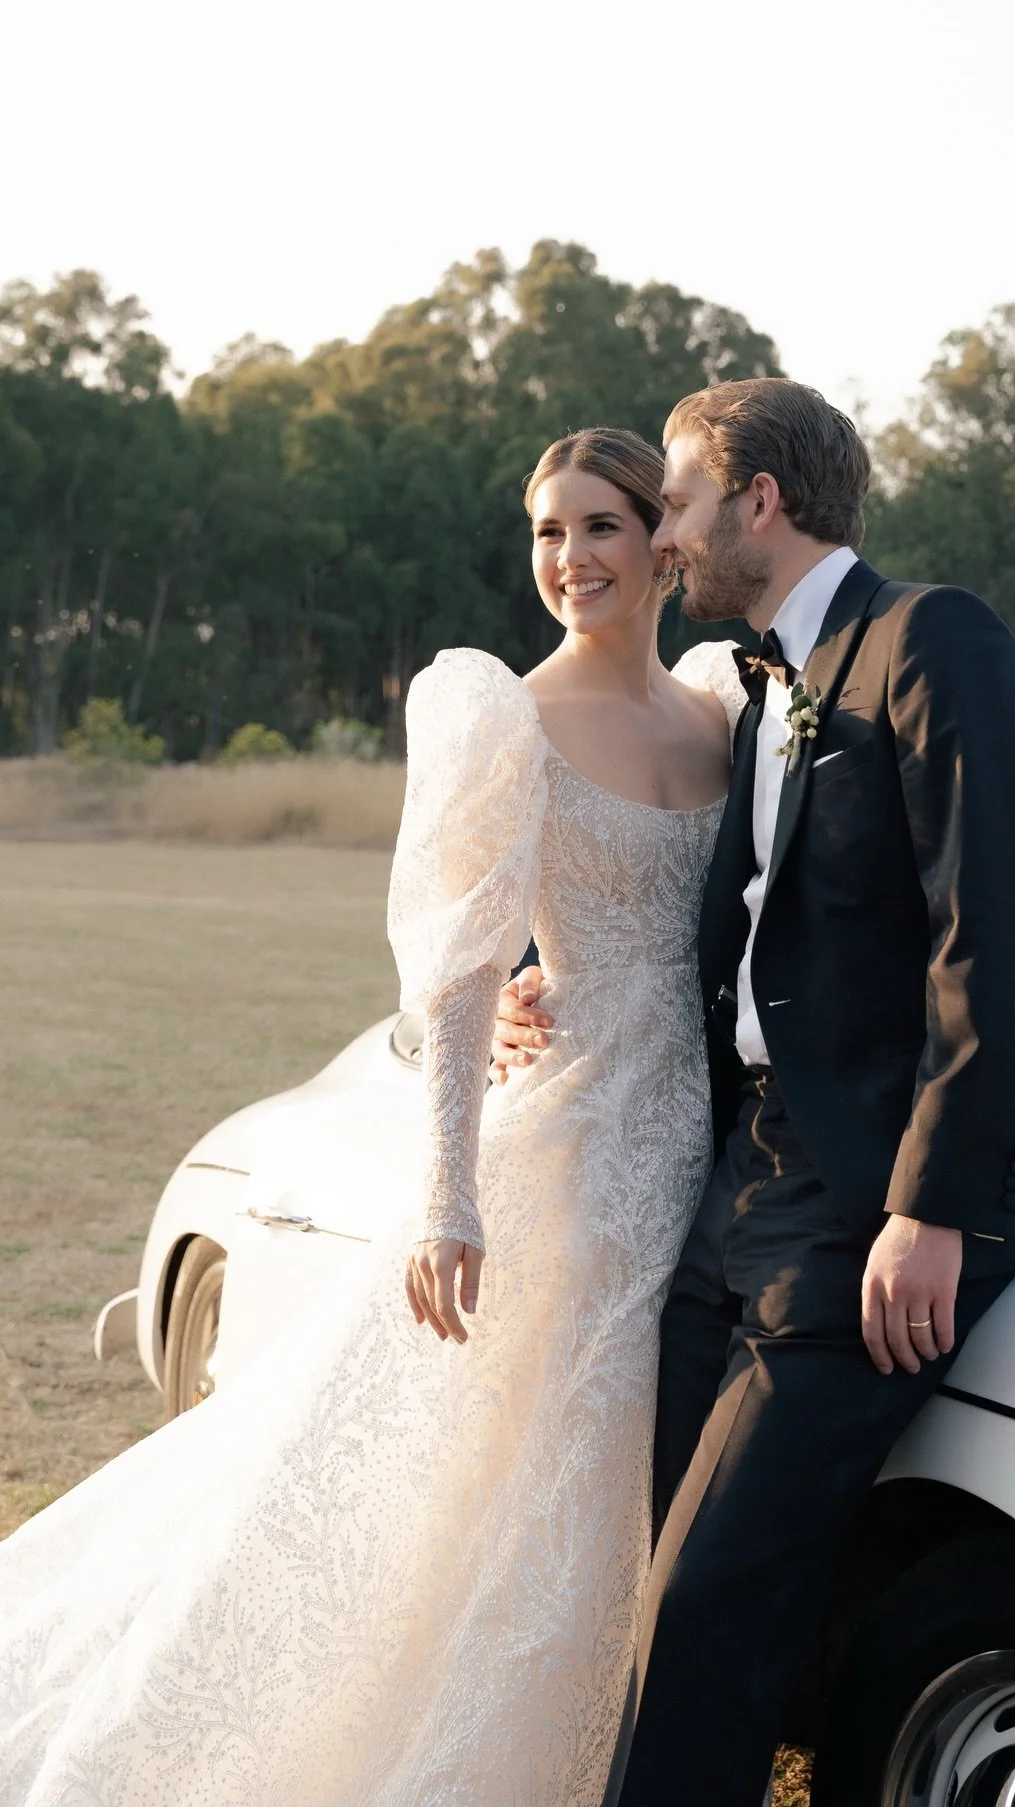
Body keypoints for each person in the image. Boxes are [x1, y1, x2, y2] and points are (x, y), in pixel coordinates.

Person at [0, 428, 750, 1807]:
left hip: (698, 1136)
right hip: (570, 1143)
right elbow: (466, 970)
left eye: (598, 526)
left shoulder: (721, 710)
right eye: (546, 531)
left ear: (661, 541)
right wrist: (449, 1192)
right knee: (548, 1474)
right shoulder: (506, 717)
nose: (568, 558)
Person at [492, 379, 1015, 1806]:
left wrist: (932, 1205)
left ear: (759, 503)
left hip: (869, 1208)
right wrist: (528, 987)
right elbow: (688, 912)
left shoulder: (930, 641)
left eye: (683, 504)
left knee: (710, 1591)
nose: (664, 535)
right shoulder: (754, 683)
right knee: (654, 1551)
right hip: (740, 1183)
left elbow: (996, 934)